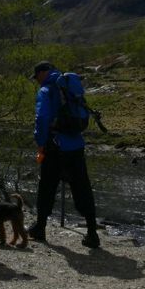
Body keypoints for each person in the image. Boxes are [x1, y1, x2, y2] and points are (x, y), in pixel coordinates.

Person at [28, 60, 100, 248]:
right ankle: (92, 233)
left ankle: (40, 228)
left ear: (43, 73)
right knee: (82, 187)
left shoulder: (47, 90)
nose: (36, 81)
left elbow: (41, 118)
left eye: (36, 77)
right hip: (75, 145)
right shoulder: (70, 88)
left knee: (47, 187)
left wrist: (41, 142)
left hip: (55, 147)